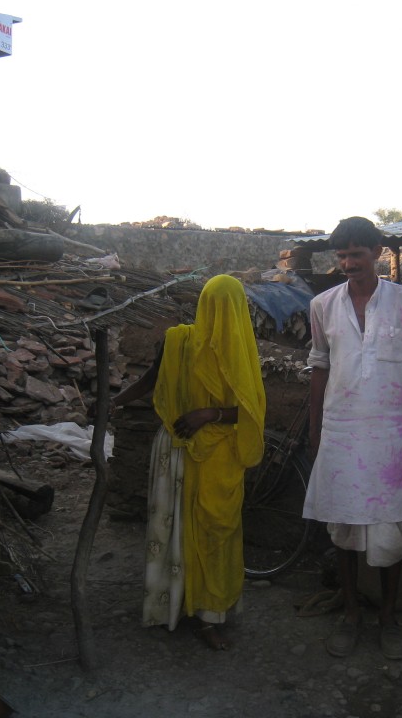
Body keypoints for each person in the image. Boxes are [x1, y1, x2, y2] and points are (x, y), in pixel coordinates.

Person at [112, 274, 266, 651]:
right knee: (177, 533)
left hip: (217, 459)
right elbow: (150, 380)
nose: (221, 313)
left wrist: (209, 414)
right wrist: (111, 403)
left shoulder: (240, 352)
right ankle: (175, 606)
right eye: (215, 304)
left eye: (227, 306)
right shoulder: (177, 340)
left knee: (216, 534)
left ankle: (210, 614)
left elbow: (249, 411)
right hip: (177, 454)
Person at [302, 216, 402, 660]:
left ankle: (389, 618)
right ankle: (352, 613)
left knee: (391, 532)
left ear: (377, 252)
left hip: (392, 433)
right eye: (341, 255)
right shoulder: (322, 305)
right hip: (341, 432)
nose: (348, 263)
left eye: (357, 254)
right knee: (344, 530)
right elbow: (320, 367)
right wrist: (316, 432)